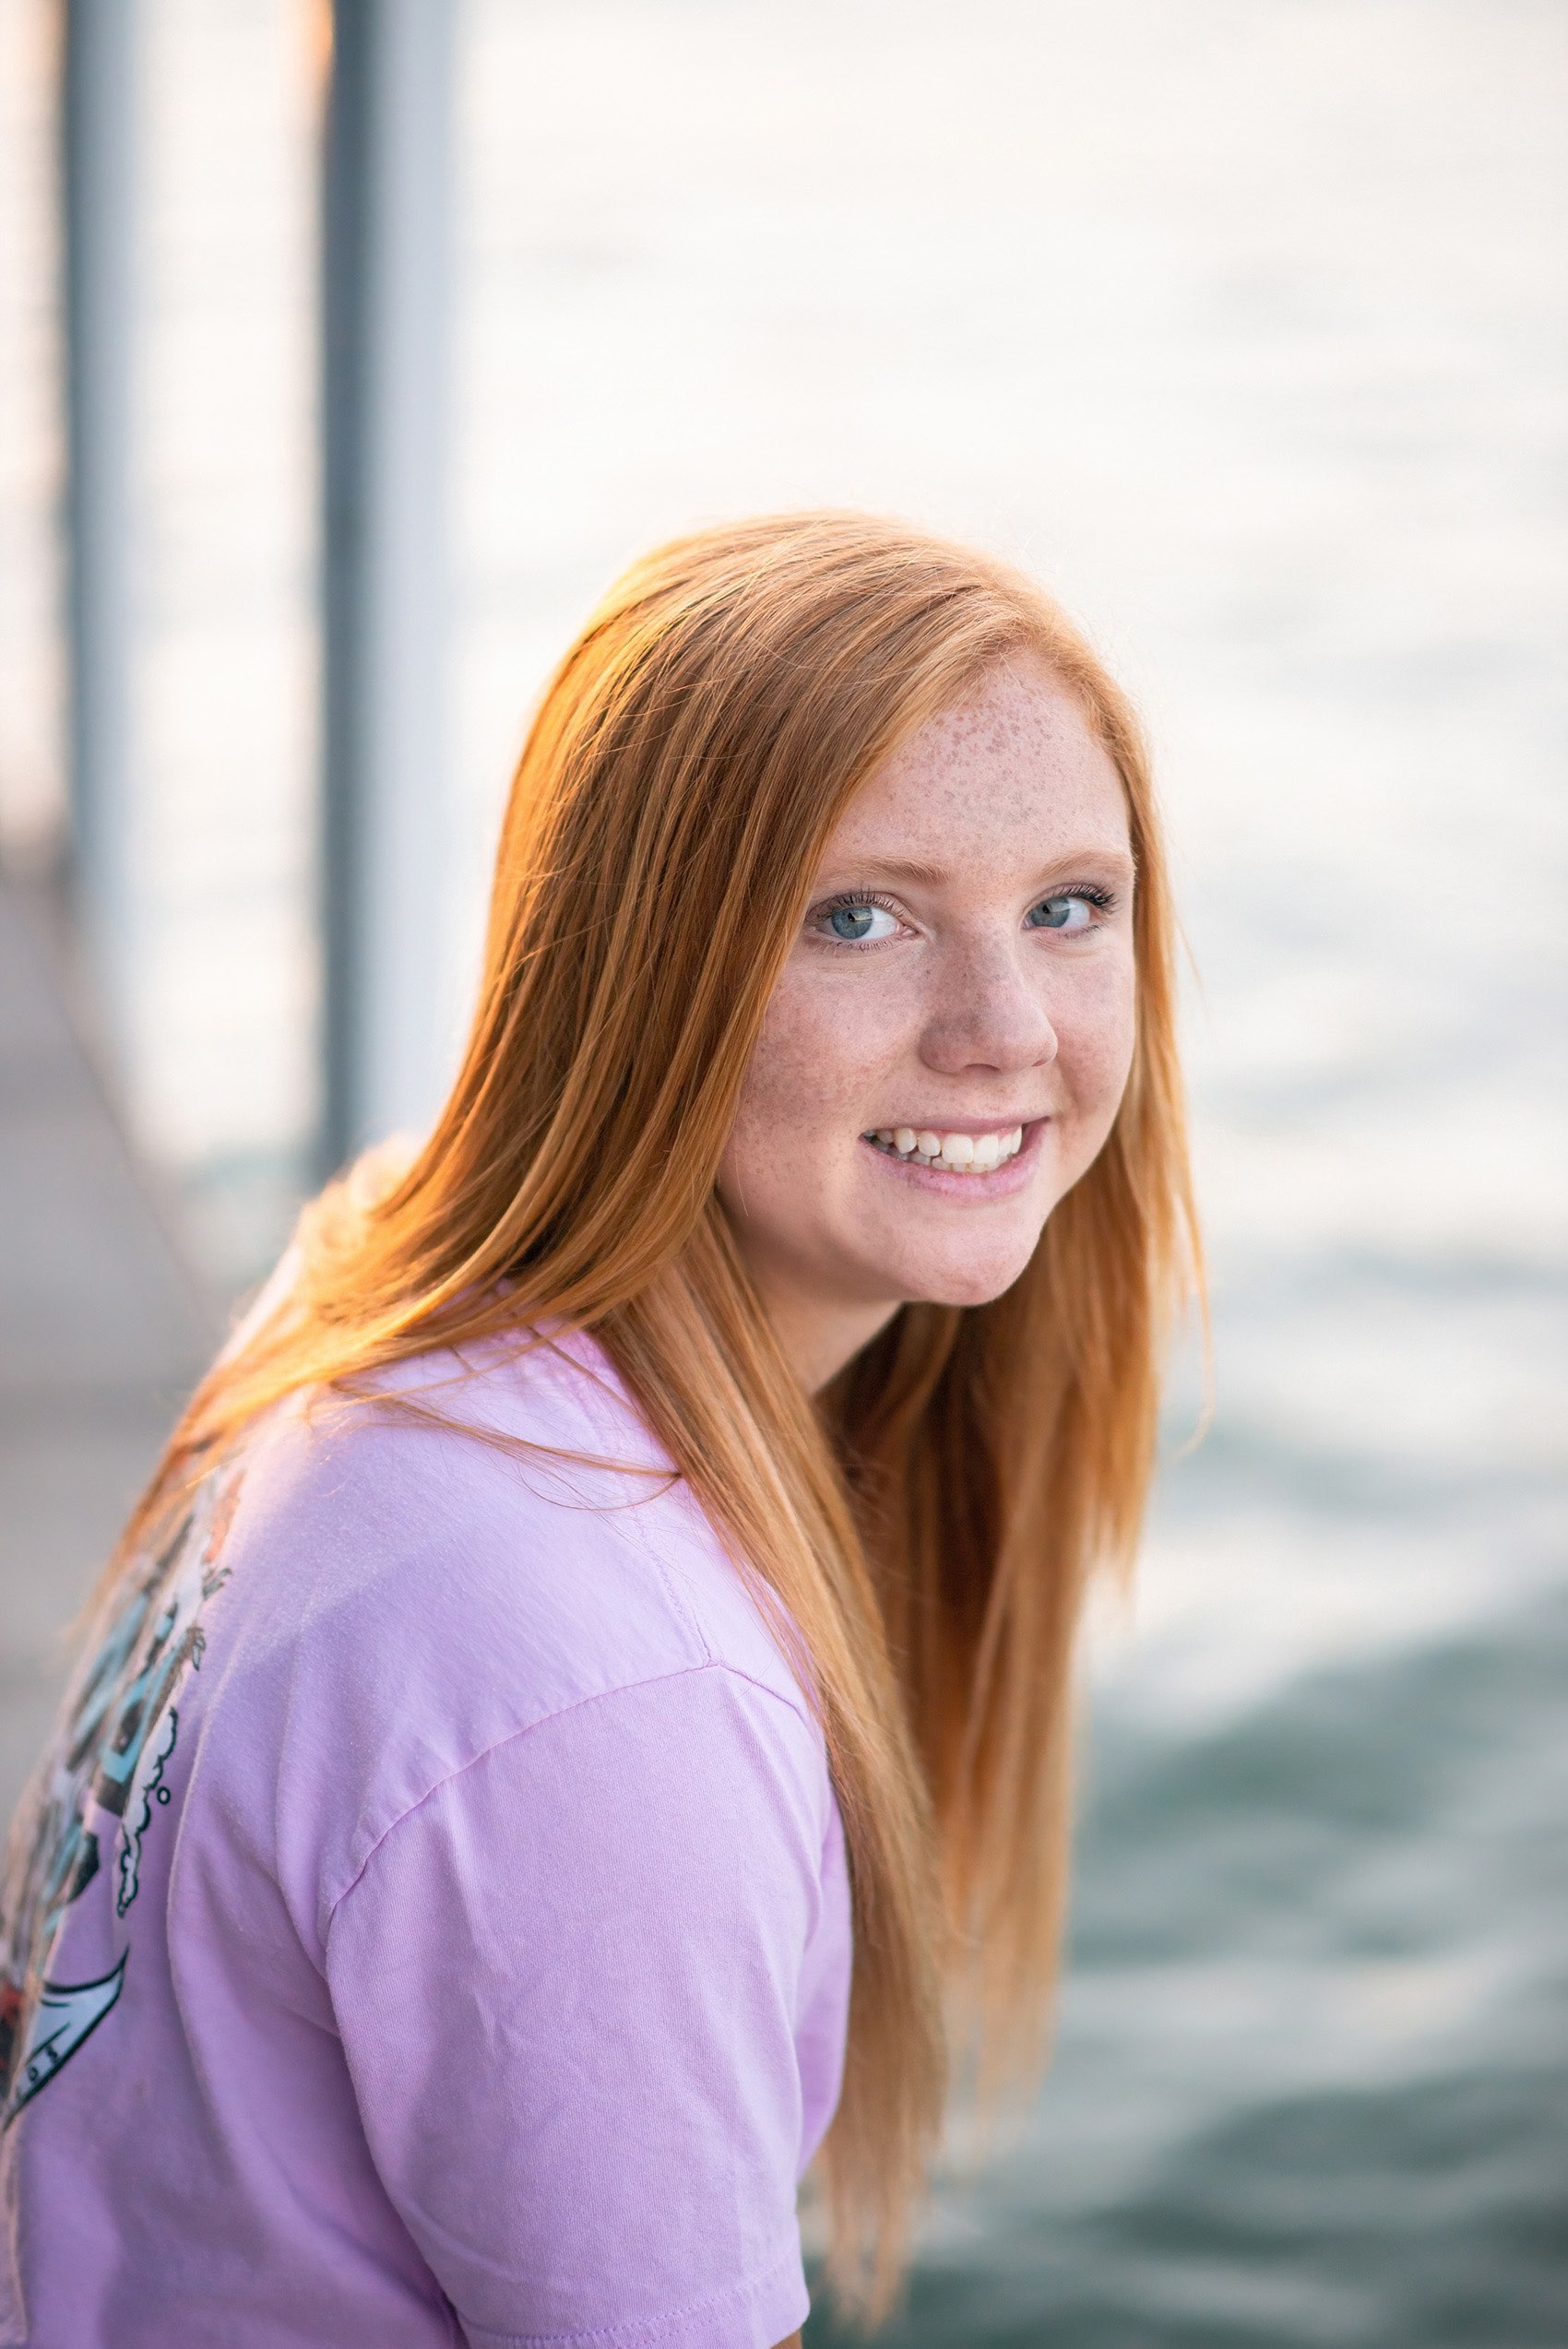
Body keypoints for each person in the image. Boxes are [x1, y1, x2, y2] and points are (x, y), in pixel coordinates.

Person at [0, 512, 1199, 2347]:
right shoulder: (592, 1683)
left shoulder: (386, 1261)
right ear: (643, 963)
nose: (1003, 1024)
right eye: (854, 914)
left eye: (1068, 904)